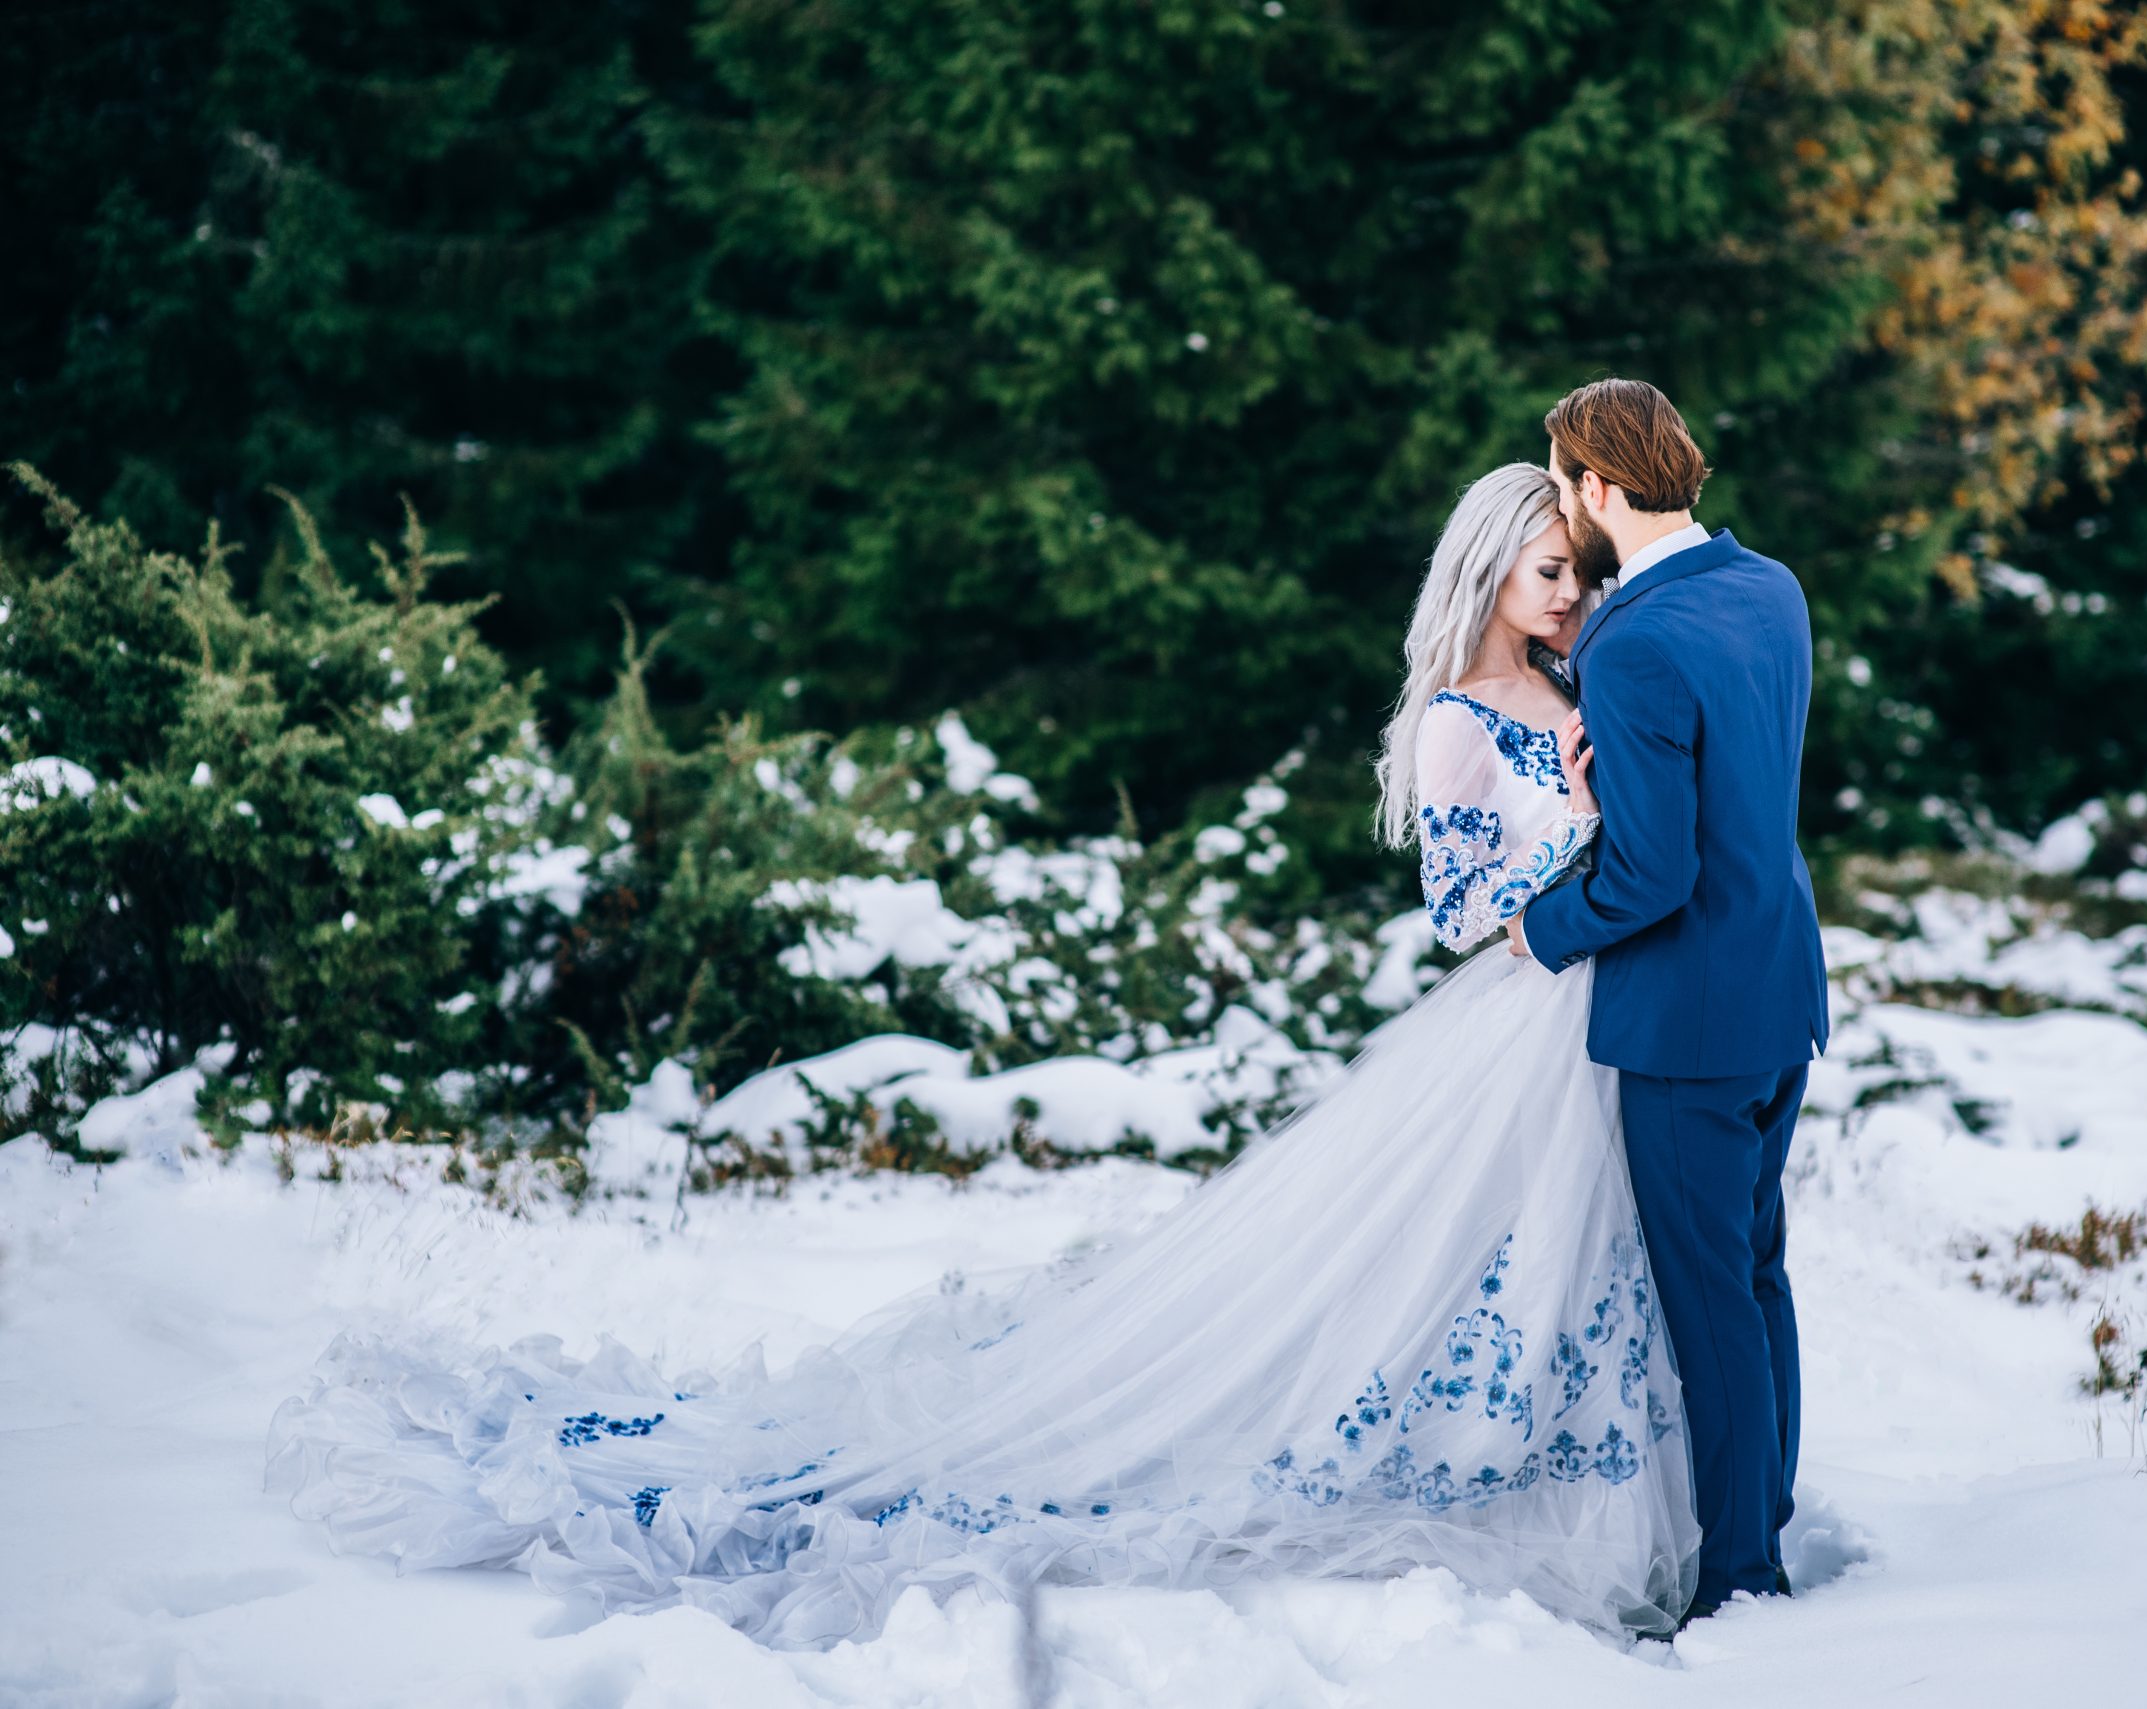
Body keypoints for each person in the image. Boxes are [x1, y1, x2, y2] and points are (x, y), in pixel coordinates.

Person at [265, 458, 1711, 1650]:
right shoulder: (1459, 728)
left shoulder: (1569, 694)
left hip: (1588, 1018)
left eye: (1578, 570)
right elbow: (1463, 914)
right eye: (1548, 570)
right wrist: (1581, 833)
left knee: (1564, 1265)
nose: (1572, 591)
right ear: (1485, 574)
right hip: (1522, 1012)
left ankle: (1531, 1474)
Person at [1508, 377, 1831, 1620]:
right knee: (1755, 1275)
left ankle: (1742, 1572)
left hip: (1689, 1017)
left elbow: (1649, 875)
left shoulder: (1632, 641)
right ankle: (1764, 1515)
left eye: (1560, 480)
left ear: (1597, 488)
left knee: (1710, 1302)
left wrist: (1542, 929)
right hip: (1778, 984)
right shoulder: (1770, 587)